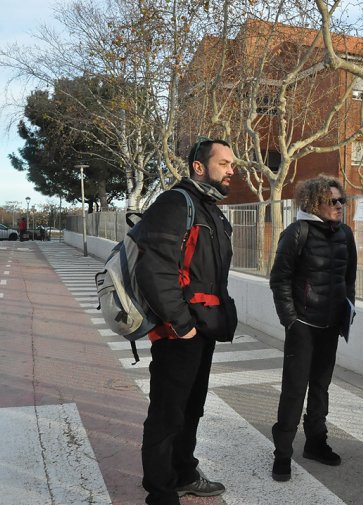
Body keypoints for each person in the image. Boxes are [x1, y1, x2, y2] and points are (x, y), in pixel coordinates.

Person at [136, 138, 238, 505]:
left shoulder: (207, 206)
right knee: (166, 413)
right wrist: (181, 323)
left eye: (232, 164)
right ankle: (161, 493)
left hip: (201, 328)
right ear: (199, 166)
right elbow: (154, 267)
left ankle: (183, 473)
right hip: (177, 330)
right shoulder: (175, 203)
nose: (232, 170)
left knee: (191, 408)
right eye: (224, 163)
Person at [269, 174, 357, 482]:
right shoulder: (297, 232)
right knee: (295, 390)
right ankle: (282, 453)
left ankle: (316, 442)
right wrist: (290, 320)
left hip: (331, 325)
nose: (338, 206)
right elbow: (279, 279)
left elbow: (348, 277)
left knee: (321, 387)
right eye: (331, 201)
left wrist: (348, 309)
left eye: (340, 200)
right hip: (303, 325)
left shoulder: (345, 234)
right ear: (313, 203)